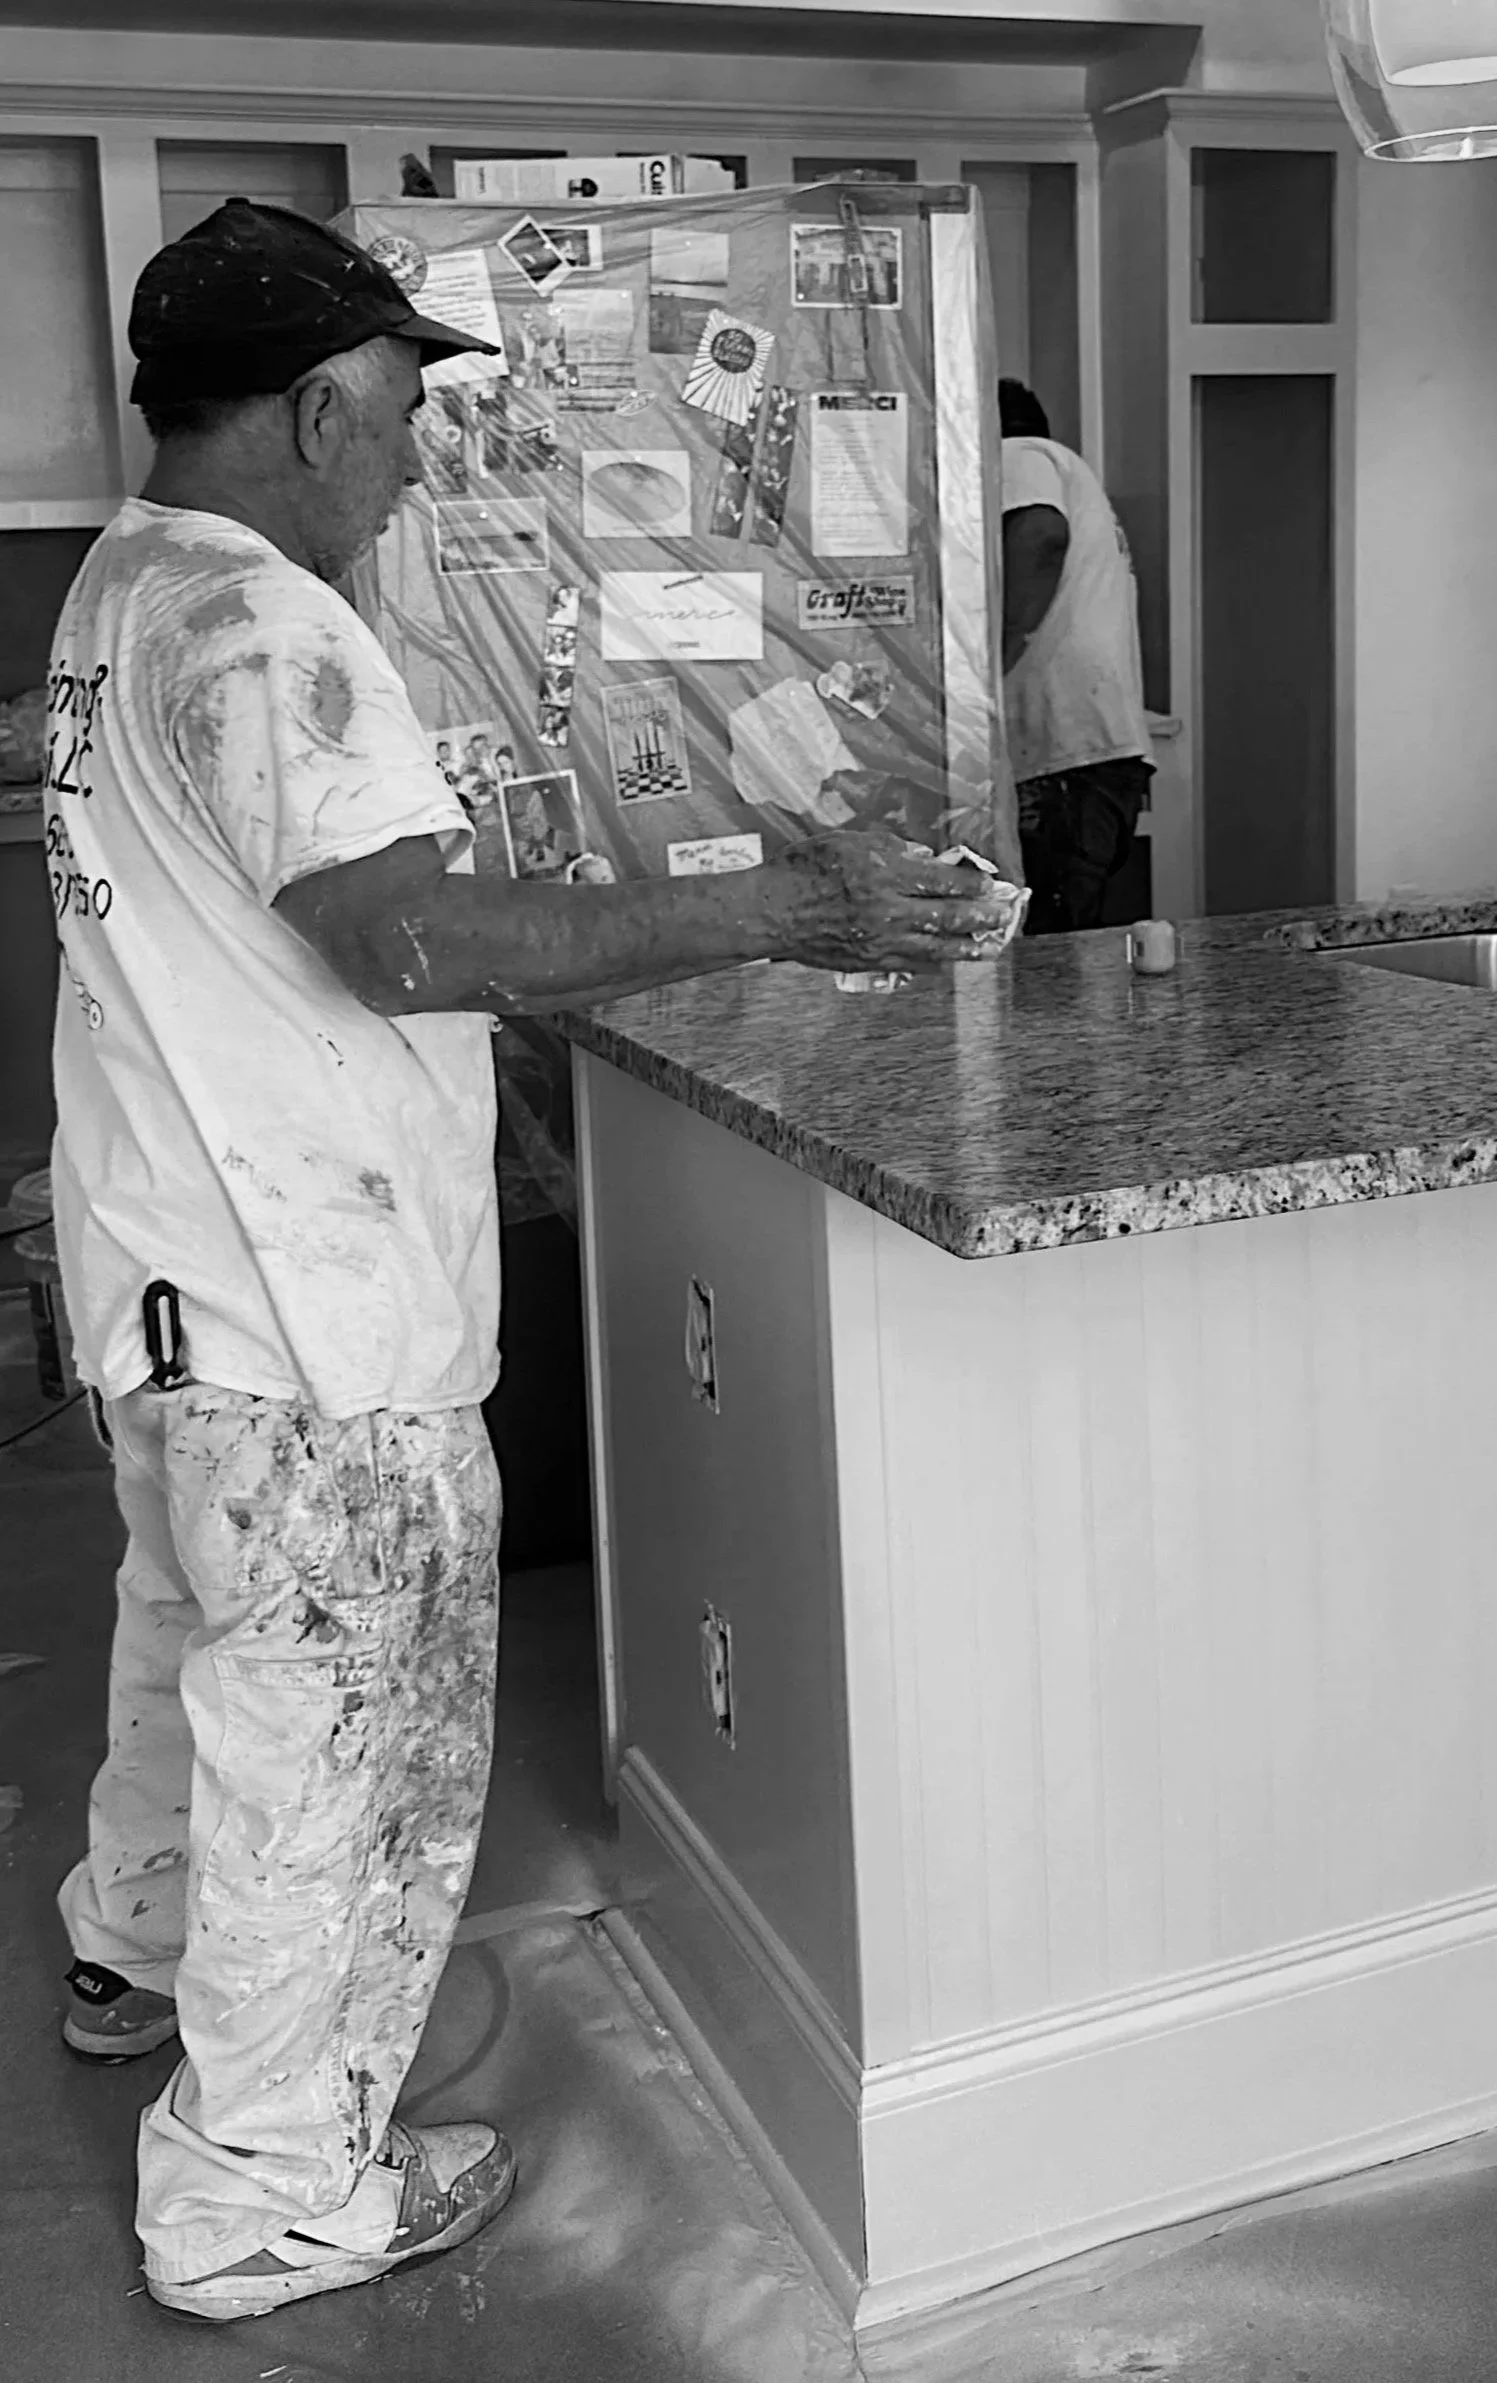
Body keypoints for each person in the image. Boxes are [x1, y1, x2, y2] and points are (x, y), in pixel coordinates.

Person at [46, 200, 1012, 2327]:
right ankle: (265, 2196)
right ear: (313, 407)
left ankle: (128, 1934)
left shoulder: (117, 592)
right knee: (338, 1744)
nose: (408, 462)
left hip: (169, 1281)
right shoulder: (275, 634)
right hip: (310, 1327)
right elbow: (397, 932)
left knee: (184, 1648)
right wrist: (786, 905)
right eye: (394, 415)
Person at [999, 379, 1153, 933]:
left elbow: (1040, 537)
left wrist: (996, 656)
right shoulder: (1077, 479)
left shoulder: (1018, 454)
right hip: (1094, 759)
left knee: (1047, 959)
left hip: (1063, 758)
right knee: (1061, 951)